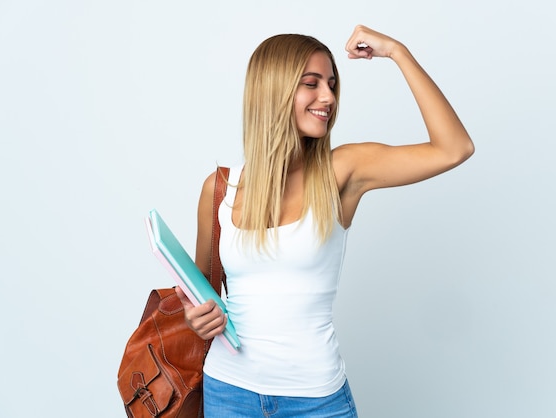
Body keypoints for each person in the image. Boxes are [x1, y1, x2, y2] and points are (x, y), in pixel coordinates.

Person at [176, 24, 474, 417]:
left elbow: (454, 148)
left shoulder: (342, 171)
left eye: (332, 84)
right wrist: (197, 317)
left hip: (316, 400)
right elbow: (204, 296)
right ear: (274, 90)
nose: (328, 97)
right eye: (312, 84)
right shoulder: (220, 188)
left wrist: (397, 52)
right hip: (229, 393)